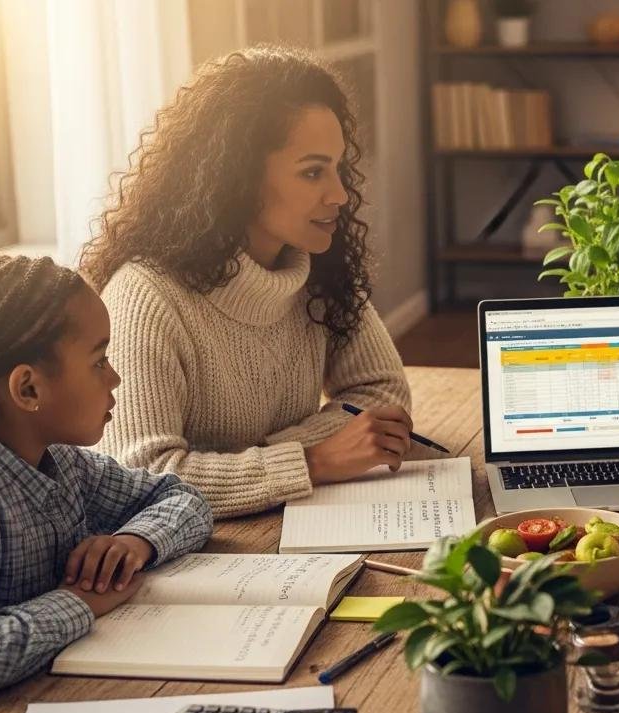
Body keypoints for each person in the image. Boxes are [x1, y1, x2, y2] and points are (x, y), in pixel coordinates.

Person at [80, 46, 413, 519]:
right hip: (187, 547)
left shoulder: (318, 266)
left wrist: (270, 458)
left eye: (338, 169)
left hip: (284, 518)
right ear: (236, 177)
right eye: (313, 172)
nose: (340, 194)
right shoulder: (144, 296)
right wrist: (312, 461)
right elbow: (141, 477)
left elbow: (382, 396)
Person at [0, 255, 213, 713]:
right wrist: (80, 601)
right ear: (28, 388)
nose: (115, 378)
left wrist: (136, 542)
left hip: (53, 704)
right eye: (99, 361)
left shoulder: (62, 463)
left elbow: (184, 498)